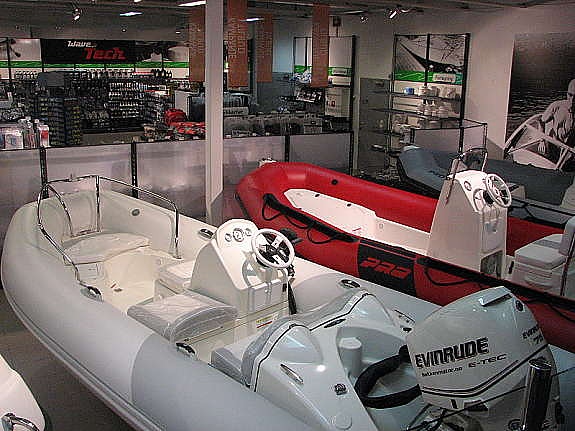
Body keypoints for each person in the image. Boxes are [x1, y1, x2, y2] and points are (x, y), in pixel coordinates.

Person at [538, 79, 575, 155]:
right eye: (570, 95)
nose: (572, 100)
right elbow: (541, 122)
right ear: (567, 94)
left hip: (569, 148)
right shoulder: (556, 106)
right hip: (553, 144)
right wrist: (542, 141)